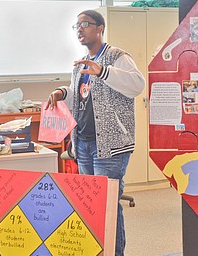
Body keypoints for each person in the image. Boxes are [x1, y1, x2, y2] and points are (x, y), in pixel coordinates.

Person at [45, 9, 145, 256]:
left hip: (110, 146)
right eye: (76, 26)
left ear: (100, 28)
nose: (79, 29)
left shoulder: (117, 57)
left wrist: (102, 71)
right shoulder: (80, 64)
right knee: (90, 204)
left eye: (85, 24)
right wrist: (61, 93)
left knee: (108, 204)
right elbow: (77, 95)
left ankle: (115, 252)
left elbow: (137, 85)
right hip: (85, 144)